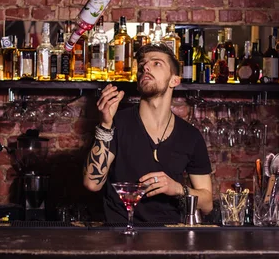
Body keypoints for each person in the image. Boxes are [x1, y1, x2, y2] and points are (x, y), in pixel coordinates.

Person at [82, 43, 213, 223]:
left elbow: (207, 204)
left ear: (174, 80)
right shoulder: (117, 123)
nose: (146, 67)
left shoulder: (190, 136)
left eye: (157, 63)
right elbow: (92, 183)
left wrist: (177, 188)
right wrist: (105, 125)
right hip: (117, 234)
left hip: (167, 237)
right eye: (143, 65)